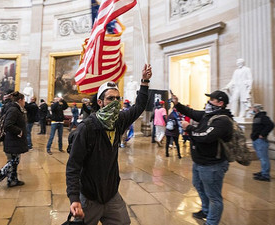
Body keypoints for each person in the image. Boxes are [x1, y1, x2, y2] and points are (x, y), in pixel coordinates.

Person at [66, 64, 152, 225]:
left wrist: (145, 82)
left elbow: (139, 106)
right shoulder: (87, 128)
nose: (115, 102)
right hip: (90, 197)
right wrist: (74, 198)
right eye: (110, 98)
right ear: (100, 102)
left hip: (111, 194)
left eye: (117, 99)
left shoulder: (118, 121)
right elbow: (73, 166)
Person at [172, 90, 233, 225]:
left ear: (220, 103)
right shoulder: (209, 115)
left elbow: (205, 136)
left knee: (214, 197)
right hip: (200, 161)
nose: (208, 102)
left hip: (212, 164)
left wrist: (189, 128)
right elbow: (192, 113)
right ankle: (206, 210)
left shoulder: (222, 120)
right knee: (198, 185)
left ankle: (211, 222)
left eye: (212, 99)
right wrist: (177, 104)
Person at [0, 91, 28, 190]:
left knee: (15, 160)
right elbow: (8, 125)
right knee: (13, 161)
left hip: (14, 140)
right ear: (20, 100)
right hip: (13, 139)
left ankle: (12, 180)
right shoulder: (14, 110)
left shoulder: (15, 108)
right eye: (24, 100)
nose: (25, 102)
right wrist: (19, 131)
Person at [250, 104, 274, 182]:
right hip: (257, 140)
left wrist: (263, 134)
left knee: (264, 158)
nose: (252, 109)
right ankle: (263, 171)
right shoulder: (257, 117)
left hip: (261, 141)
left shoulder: (263, 117)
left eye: (253, 108)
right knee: (261, 157)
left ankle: (265, 175)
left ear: (256, 109)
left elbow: (271, 125)